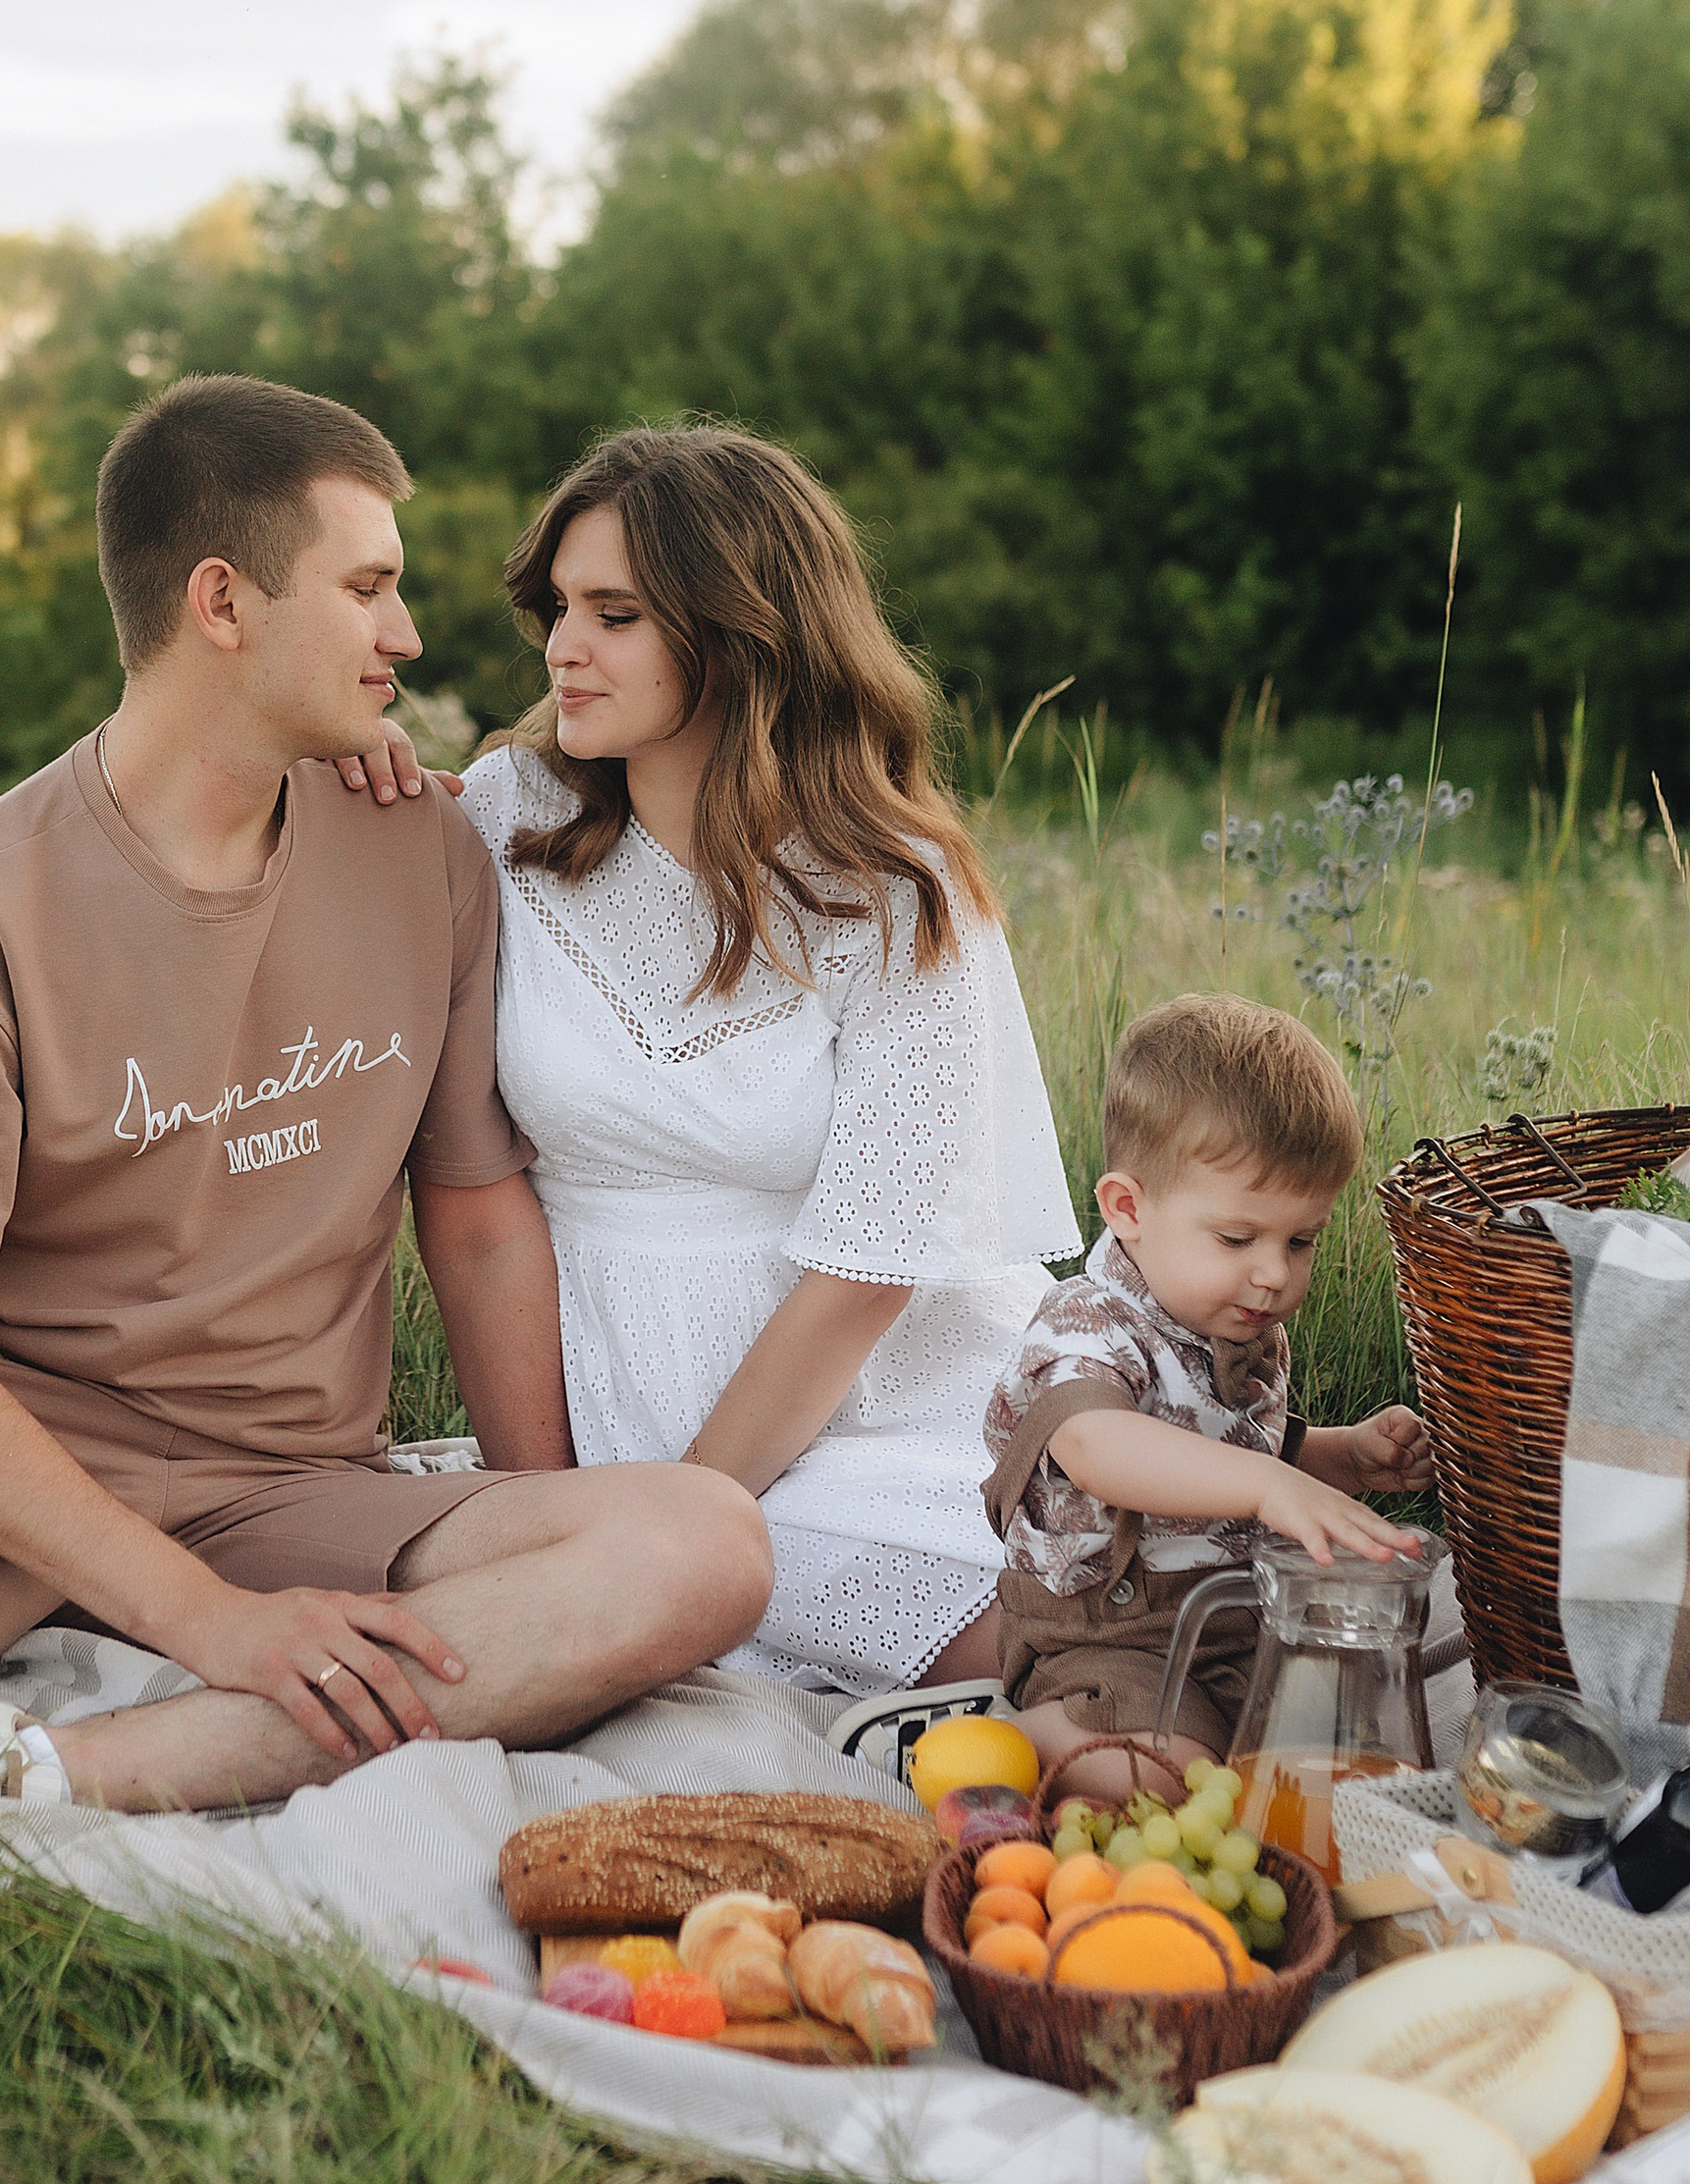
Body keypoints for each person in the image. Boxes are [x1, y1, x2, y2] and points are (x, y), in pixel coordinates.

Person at [0, 375, 770, 1806]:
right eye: (367, 589)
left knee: (697, 1546)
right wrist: (208, 1625)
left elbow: (475, 1220)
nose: (408, 637)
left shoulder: (424, 855)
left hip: (286, 1487)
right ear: (223, 603)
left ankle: (52, 1774)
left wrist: (533, 1518)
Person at [444, 422, 1079, 1706]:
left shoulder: (900, 893)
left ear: (741, 633)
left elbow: (864, 1276)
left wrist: (679, 1518)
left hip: (874, 1412)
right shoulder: (509, 816)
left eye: (614, 613)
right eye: (560, 607)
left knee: (1075, 1645)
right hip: (611, 1397)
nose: (564, 646)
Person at [981, 989, 1431, 1778]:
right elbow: (1097, 1445)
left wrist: (1343, 1459)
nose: (1273, 1273)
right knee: (1159, 1778)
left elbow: (1246, 1448)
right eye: (1237, 1237)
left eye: (1301, 1240)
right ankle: (1019, 1742)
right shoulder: (1086, 1321)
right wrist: (1265, 1487)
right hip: (1108, 1636)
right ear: (1129, 1208)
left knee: (1339, 1750)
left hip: (1240, 1621)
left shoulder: (1238, 1326)